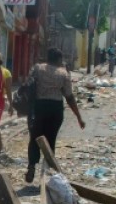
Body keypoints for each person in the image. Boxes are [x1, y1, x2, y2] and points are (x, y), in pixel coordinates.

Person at [25, 47, 86, 183]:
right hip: (56, 109)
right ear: (59, 59)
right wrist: (79, 117)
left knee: (35, 137)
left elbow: (29, 84)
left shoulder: (38, 68)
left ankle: (31, 165)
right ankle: (47, 172)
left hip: (39, 107)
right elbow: (69, 97)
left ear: (47, 57)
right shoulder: (63, 74)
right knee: (50, 140)